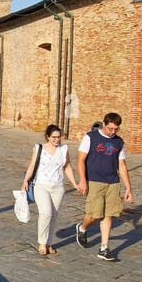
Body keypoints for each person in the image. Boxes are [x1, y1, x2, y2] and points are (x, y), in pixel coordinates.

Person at [75, 112, 134, 262]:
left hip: (113, 182)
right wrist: (82, 180)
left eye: (116, 129)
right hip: (94, 181)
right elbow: (81, 160)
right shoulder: (91, 137)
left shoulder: (119, 142)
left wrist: (128, 187)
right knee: (95, 215)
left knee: (109, 214)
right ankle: (82, 228)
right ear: (104, 124)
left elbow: (121, 165)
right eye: (110, 128)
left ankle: (104, 248)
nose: (112, 132)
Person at [21, 124, 79, 255]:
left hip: (58, 187)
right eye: (54, 137)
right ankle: (42, 242)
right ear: (48, 137)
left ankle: (49, 243)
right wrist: (25, 181)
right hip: (41, 185)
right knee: (45, 213)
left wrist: (75, 183)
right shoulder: (40, 148)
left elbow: (67, 167)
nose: (57, 140)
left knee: (53, 215)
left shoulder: (64, 149)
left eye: (59, 137)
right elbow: (31, 166)